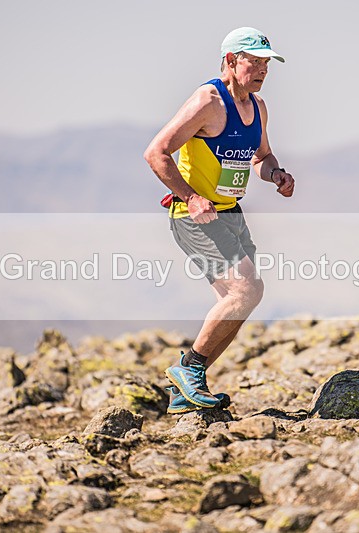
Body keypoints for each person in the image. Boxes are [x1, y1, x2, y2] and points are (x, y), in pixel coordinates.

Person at [144, 27, 294, 413]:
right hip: (196, 217)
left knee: (237, 304)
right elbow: (156, 152)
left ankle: (184, 393)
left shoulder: (257, 107)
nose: (262, 70)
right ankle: (188, 370)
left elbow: (261, 157)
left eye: (266, 63)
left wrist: (276, 174)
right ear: (231, 60)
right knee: (246, 291)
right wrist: (190, 197)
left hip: (231, 214)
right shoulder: (209, 101)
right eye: (254, 62)